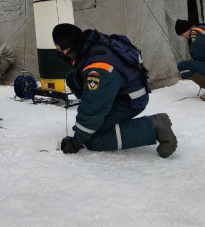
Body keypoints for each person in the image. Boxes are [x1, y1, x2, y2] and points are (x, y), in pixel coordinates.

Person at [52, 23, 177, 158]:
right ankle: (96, 118)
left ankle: (155, 126)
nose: (64, 53)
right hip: (120, 91)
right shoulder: (90, 41)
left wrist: (77, 140)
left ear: (75, 44)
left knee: (94, 140)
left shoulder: (98, 68)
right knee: (73, 78)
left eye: (66, 50)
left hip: (130, 100)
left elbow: (93, 105)